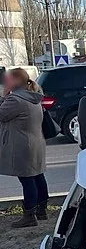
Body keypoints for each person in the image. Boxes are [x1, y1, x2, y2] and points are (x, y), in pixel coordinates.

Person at [0, 68, 49, 228]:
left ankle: (29, 215)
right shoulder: (32, 97)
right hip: (36, 142)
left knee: (27, 180)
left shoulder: (16, 100)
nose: (4, 81)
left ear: (15, 81)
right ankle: (41, 211)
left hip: (22, 145)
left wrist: (3, 96)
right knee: (37, 176)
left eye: (7, 79)